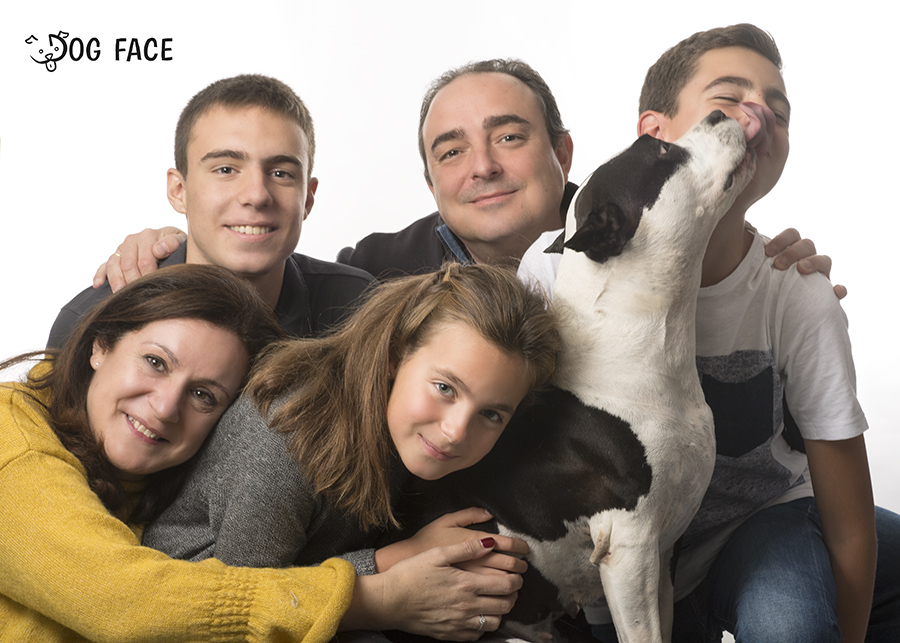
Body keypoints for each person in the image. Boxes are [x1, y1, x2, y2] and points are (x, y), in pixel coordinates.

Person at [519, 24, 899, 643]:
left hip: (762, 523)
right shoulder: (557, 271)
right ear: (654, 133)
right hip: (631, 549)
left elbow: (849, 522)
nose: (758, 116)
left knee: (790, 621)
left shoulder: (795, 293)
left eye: (778, 111)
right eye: (727, 100)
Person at [2, 264, 516, 643]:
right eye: (155, 362)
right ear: (100, 345)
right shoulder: (14, 441)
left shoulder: (146, 469)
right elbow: (123, 601)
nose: (164, 407)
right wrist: (377, 592)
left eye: (204, 395)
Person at [89, 62, 842, 294]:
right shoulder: (375, 277)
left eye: (509, 137)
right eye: (450, 152)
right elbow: (265, 264)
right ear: (431, 184)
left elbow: (731, 283)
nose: (482, 166)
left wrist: (767, 266)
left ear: (564, 152)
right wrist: (164, 245)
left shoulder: (649, 236)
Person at [142, 262, 560, 639]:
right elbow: (249, 606)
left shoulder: (404, 432)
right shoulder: (286, 433)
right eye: (445, 388)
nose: (455, 431)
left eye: (491, 414)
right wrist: (394, 561)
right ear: (396, 354)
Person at [47, 74, 373, 348]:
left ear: (308, 200)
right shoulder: (91, 322)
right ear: (179, 191)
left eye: (280, 173)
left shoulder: (360, 311)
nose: (257, 195)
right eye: (225, 170)